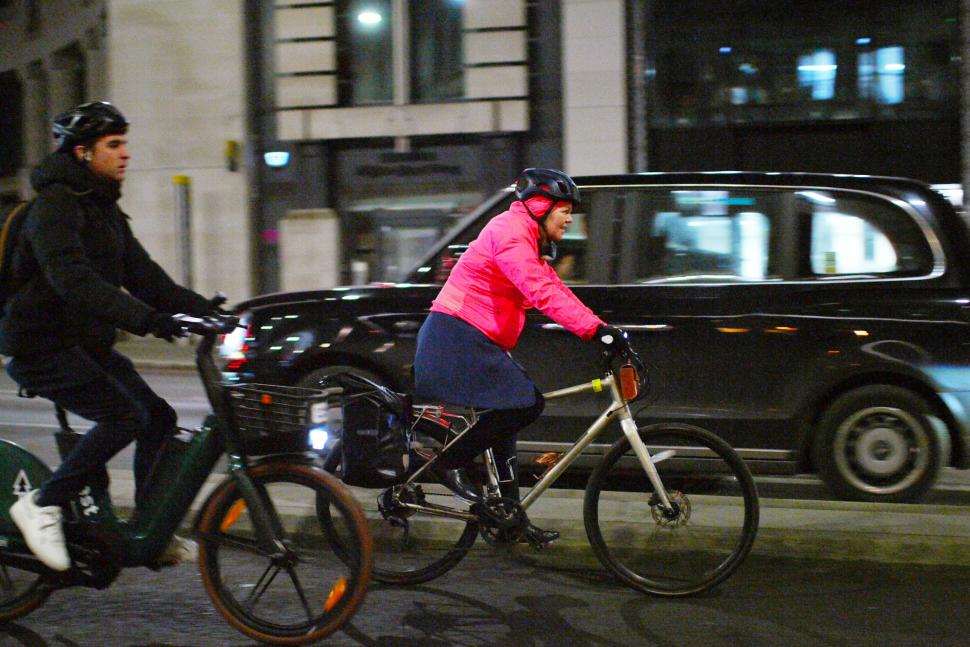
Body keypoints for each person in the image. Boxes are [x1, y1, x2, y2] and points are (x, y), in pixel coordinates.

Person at [1, 101, 222, 571]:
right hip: (40, 346)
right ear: (83, 152)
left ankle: (150, 527)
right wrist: (150, 321)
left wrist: (209, 313)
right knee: (124, 417)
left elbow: (146, 279)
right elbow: (75, 283)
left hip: (82, 345)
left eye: (125, 144)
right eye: (114, 145)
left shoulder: (103, 210)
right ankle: (43, 505)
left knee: (158, 417)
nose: (125, 154)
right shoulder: (55, 208)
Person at [413, 167, 630, 545]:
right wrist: (596, 332)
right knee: (526, 404)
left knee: (506, 421)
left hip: (473, 339)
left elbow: (553, 288)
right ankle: (448, 464)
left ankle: (509, 519)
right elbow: (540, 291)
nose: (568, 219)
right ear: (541, 205)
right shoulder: (510, 234)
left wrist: (600, 328)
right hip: (455, 338)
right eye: (564, 210)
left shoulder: (525, 239)